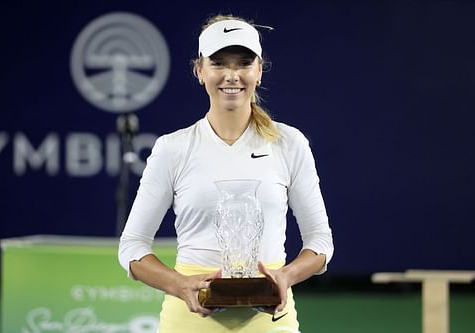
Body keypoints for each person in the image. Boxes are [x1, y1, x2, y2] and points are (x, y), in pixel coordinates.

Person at [118, 14, 334, 333]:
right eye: (219, 64)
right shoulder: (172, 148)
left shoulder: (290, 143)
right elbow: (133, 247)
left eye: (243, 63)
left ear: (259, 71)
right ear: (200, 71)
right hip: (188, 322)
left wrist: (284, 277)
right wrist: (180, 285)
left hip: (271, 321)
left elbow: (320, 241)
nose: (231, 75)